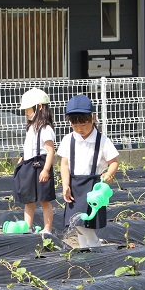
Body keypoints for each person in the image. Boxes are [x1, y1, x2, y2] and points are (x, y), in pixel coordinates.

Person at [57, 95, 119, 248]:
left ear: (93, 118)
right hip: (75, 184)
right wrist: (65, 185)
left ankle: (93, 244)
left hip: (93, 185)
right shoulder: (68, 139)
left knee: (86, 220)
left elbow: (114, 162)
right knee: (77, 219)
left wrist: (109, 174)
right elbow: (64, 164)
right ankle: (87, 247)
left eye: (83, 125)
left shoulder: (102, 140)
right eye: (75, 125)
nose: (80, 129)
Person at [13, 88, 56, 234]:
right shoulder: (31, 127)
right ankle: (28, 228)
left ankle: (47, 229)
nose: (25, 112)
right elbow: (28, 146)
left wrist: (46, 170)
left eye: (28, 109)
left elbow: (50, 151)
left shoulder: (46, 128)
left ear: (39, 107)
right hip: (28, 164)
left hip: (41, 165)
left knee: (44, 199)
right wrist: (22, 159)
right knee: (28, 199)